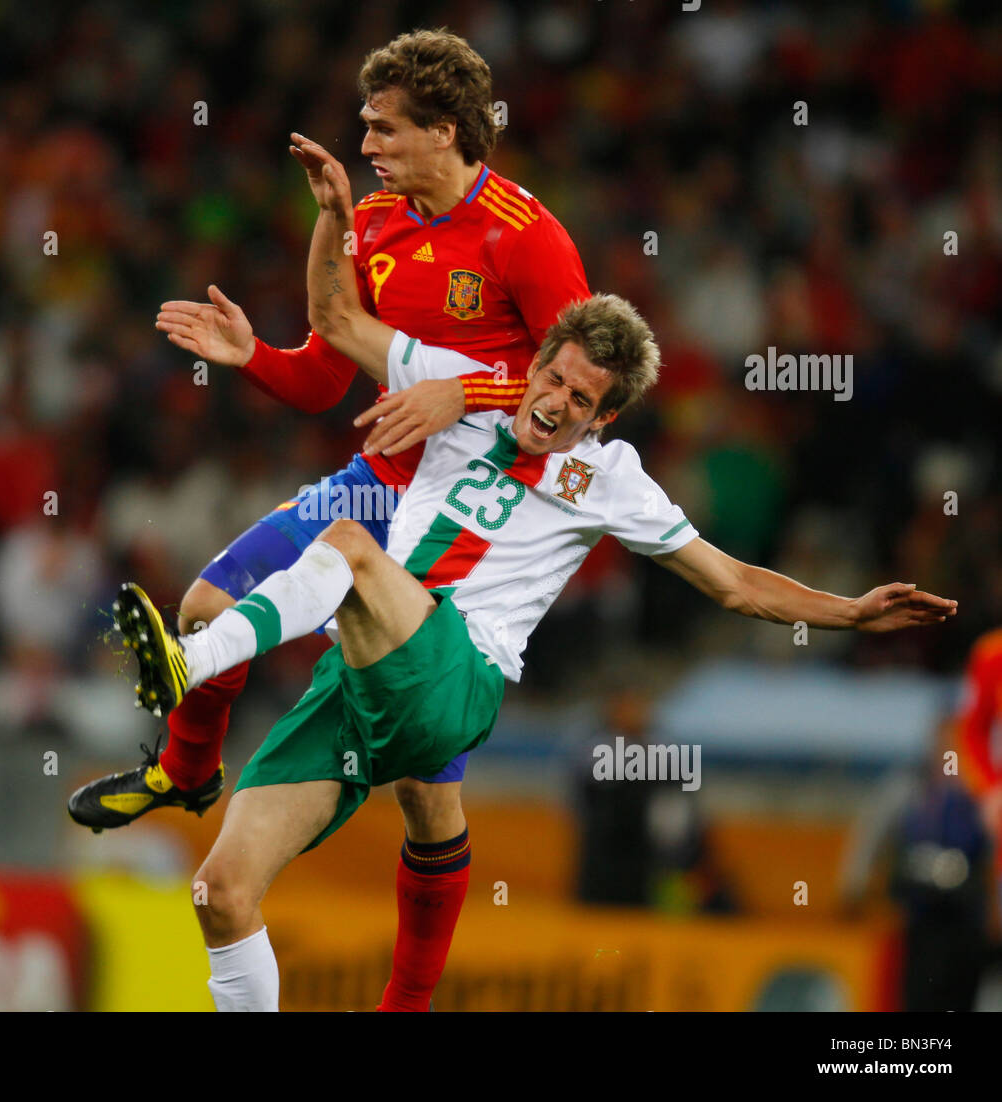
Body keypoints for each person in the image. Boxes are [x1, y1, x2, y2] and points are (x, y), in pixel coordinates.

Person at [100, 138, 958, 1011]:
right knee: (219, 894)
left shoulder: (613, 480)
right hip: (362, 682)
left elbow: (732, 581)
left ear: (606, 414)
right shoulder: (463, 388)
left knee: (352, 549)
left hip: (458, 676)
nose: (552, 404)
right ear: (539, 355)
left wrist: (849, 611)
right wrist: (330, 218)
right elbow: (339, 318)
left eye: (580, 400)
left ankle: (188, 663)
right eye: (552, 375)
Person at [69, 28, 589, 1012]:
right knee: (205, 600)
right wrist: (259, 344)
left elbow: (590, 392)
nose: (367, 140)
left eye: (384, 127)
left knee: (428, 798)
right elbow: (320, 376)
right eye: (365, 123)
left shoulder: (527, 237)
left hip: (469, 519)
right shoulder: (380, 220)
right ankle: (186, 770)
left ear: (445, 130)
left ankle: (406, 1001)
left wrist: (460, 393)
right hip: (370, 480)